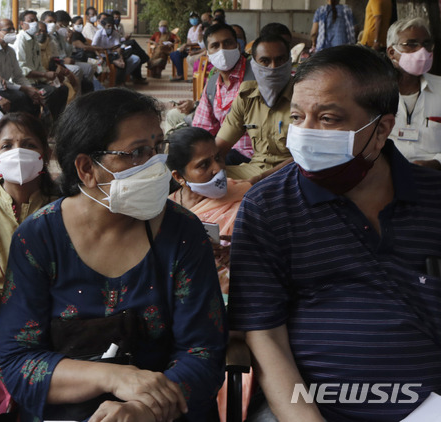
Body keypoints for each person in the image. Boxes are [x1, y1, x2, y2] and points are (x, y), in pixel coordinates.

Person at [230, 44, 441, 421]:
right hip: (313, 407)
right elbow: (265, 335)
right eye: (297, 116)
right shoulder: (268, 207)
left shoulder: (434, 199)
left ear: (381, 130)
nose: (305, 134)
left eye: (327, 119)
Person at [0, 88, 226, 421]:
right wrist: (116, 377)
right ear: (87, 168)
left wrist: (142, 409)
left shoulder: (183, 234)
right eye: (137, 152)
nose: (156, 165)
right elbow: (19, 363)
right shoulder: (38, 239)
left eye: (158, 148)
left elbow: (203, 353)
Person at [0, 112, 58, 289]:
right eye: (7, 146)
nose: (17, 152)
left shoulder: (60, 206)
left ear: (46, 156)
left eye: (29, 145)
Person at [166, 127, 251, 294]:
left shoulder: (243, 196)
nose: (218, 168)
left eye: (218, 158)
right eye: (204, 165)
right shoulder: (167, 211)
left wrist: (236, 253)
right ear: (178, 177)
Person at [216, 33, 294, 183]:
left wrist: (257, 181)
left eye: (280, 60)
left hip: (291, 175)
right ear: (254, 65)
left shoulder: (303, 99)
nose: (273, 67)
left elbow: (304, 158)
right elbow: (220, 146)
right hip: (254, 171)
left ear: (290, 62)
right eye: (265, 61)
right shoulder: (246, 98)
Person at [191, 24, 254, 161]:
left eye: (227, 43)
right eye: (215, 46)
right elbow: (202, 128)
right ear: (207, 53)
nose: (222, 50)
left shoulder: (256, 74)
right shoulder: (213, 83)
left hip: (255, 154)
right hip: (224, 151)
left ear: (237, 46)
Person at [386, 17, 441, 170]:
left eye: (427, 44)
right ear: (392, 52)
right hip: (387, 175)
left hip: (434, 176)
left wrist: (437, 162)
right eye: (411, 44)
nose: (421, 51)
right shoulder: (375, 92)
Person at [14, 10, 69, 122]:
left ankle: (57, 122)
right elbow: (22, 69)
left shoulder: (34, 39)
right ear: (22, 24)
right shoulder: (20, 40)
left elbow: (38, 66)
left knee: (62, 88)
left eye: (35, 20)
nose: (34, 23)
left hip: (38, 80)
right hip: (26, 83)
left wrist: (49, 79)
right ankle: (42, 125)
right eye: (31, 21)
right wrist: (45, 74)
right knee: (49, 92)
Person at [0, 19, 43, 117]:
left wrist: (30, 89)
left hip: (6, 87)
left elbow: (18, 75)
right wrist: (25, 89)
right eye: (8, 30)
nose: (12, 32)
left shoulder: (10, 51)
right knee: (21, 97)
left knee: (35, 96)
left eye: (13, 29)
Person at [92, 16, 147, 86]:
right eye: (108, 26)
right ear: (104, 26)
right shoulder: (99, 33)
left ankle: (119, 79)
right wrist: (100, 56)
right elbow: (94, 47)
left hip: (113, 54)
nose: (110, 28)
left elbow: (118, 47)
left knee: (125, 57)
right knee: (116, 61)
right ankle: (120, 82)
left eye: (112, 26)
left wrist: (121, 58)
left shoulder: (115, 33)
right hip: (102, 55)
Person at [169, 12, 204, 82]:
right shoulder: (190, 29)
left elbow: (200, 42)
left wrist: (187, 45)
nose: (193, 19)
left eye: (195, 17)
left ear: (198, 18)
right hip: (189, 48)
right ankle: (180, 74)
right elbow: (188, 41)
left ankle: (193, 76)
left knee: (182, 54)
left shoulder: (201, 27)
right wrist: (186, 46)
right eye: (192, 18)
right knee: (174, 54)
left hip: (198, 48)